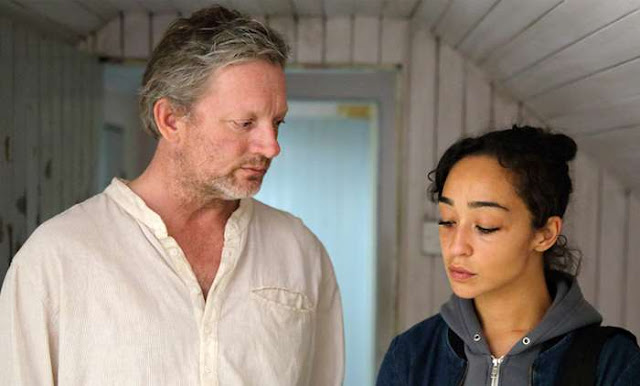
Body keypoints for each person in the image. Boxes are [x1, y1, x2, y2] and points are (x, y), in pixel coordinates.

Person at [0, 5, 344, 385]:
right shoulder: (56, 258)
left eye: (276, 122)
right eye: (245, 123)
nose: (271, 146)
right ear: (171, 120)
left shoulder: (300, 252)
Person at [377, 126, 640, 385]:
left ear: (545, 233)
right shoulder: (410, 355)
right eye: (448, 221)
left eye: (485, 226)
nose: (457, 247)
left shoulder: (612, 364)